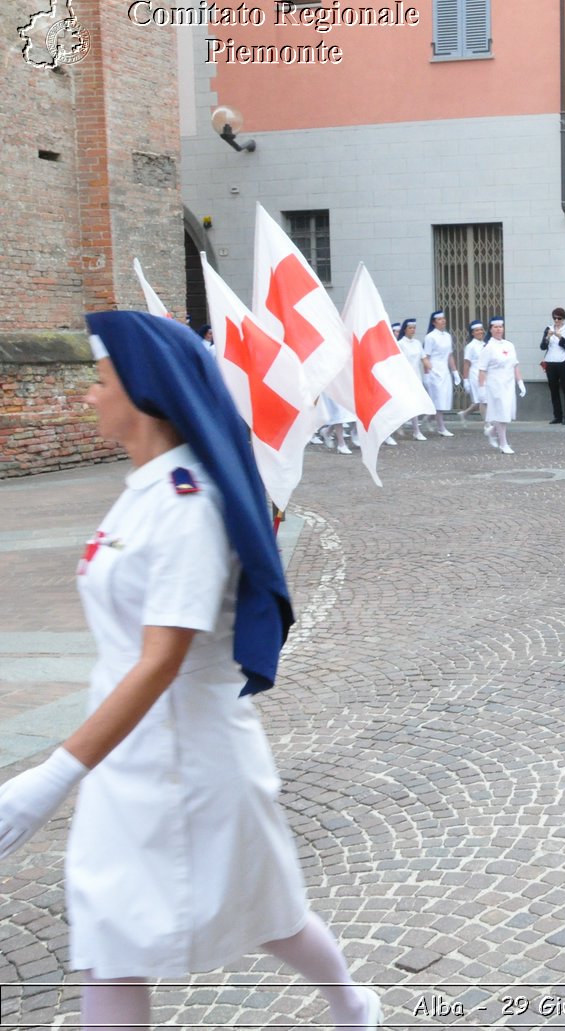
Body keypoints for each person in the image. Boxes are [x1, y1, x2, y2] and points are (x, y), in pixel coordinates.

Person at [0, 311, 380, 1031]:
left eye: (102, 380)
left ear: (143, 392)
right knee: (109, 937)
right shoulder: (145, 486)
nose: (89, 395)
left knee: (271, 911)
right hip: (127, 754)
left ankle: (354, 1006)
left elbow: (160, 661)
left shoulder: (185, 504)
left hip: (189, 755)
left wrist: (48, 779)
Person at [477, 316, 525, 454]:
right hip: (495, 384)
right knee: (501, 413)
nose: (499, 329)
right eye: (495, 327)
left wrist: (520, 382)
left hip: (508, 384)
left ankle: (492, 431)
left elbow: (515, 365)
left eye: (500, 327)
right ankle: (503, 443)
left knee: (506, 413)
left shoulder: (509, 345)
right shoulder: (488, 348)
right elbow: (482, 370)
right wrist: (481, 388)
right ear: (491, 330)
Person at [421, 309, 457, 436]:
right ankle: (441, 427)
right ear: (434, 322)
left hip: (445, 370)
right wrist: (427, 374)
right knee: (438, 399)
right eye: (440, 319)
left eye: (444, 319)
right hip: (434, 370)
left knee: (444, 398)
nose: (443, 321)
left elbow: (450, 355)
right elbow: (426, 357)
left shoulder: (447, 336)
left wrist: (455, 371)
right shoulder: (430, 337)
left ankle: (428, 419)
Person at [541, 307, 565, 425]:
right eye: (554, 318)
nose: (556, 320)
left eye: (559, 318)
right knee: (553, 390)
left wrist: (561, 338)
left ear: (563, 318)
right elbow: (542, 347)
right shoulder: (548, 329)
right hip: (550, 362)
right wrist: (547, 337)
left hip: (564, 362)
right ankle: (558, 416)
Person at [396, 318, 428, 441]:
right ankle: (408, 428)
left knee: (414, 404)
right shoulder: (400, 344)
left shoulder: (417, 343)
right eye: (410, 328)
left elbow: (423, 358)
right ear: (405, 329)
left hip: (416, 376)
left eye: (414, 328)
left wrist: (430, 368)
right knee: (406, 404)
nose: (413, 330)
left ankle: (415, 430)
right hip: (405, 378)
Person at [460, 319, 487, 423]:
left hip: (484, 374)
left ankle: (464, 414)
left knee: (480, 401)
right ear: (472, 333)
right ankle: (487, 423)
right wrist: (466, 380)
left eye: (481, 330)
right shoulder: (470, 346)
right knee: (481, 400)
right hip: (475, 375)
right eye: (477, 330)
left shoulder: (485, 344)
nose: (480, 332)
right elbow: (466, 364)